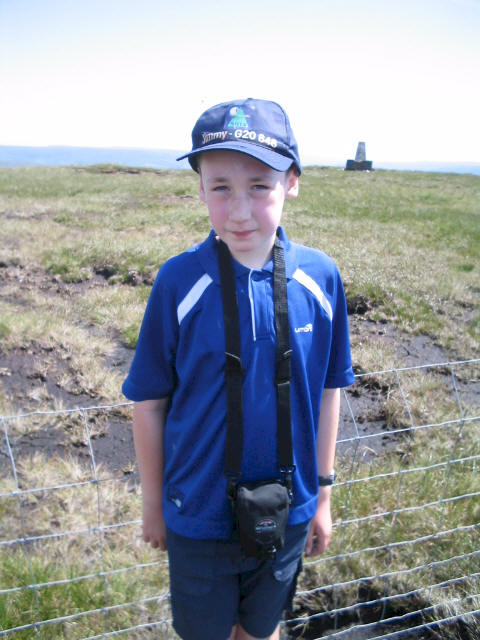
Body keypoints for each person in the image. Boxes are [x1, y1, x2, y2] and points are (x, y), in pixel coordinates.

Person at [122, 98, 355, 640]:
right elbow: (149, 402)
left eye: (259, 186)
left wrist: (321, 497)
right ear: (199, 188)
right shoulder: (178, 282)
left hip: (288, 512)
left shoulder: (321, 279)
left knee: (262, 629)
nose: (240, 210)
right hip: (199, 517)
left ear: (291, 182)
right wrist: (154, 505)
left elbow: (327, 391)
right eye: (220, 187)